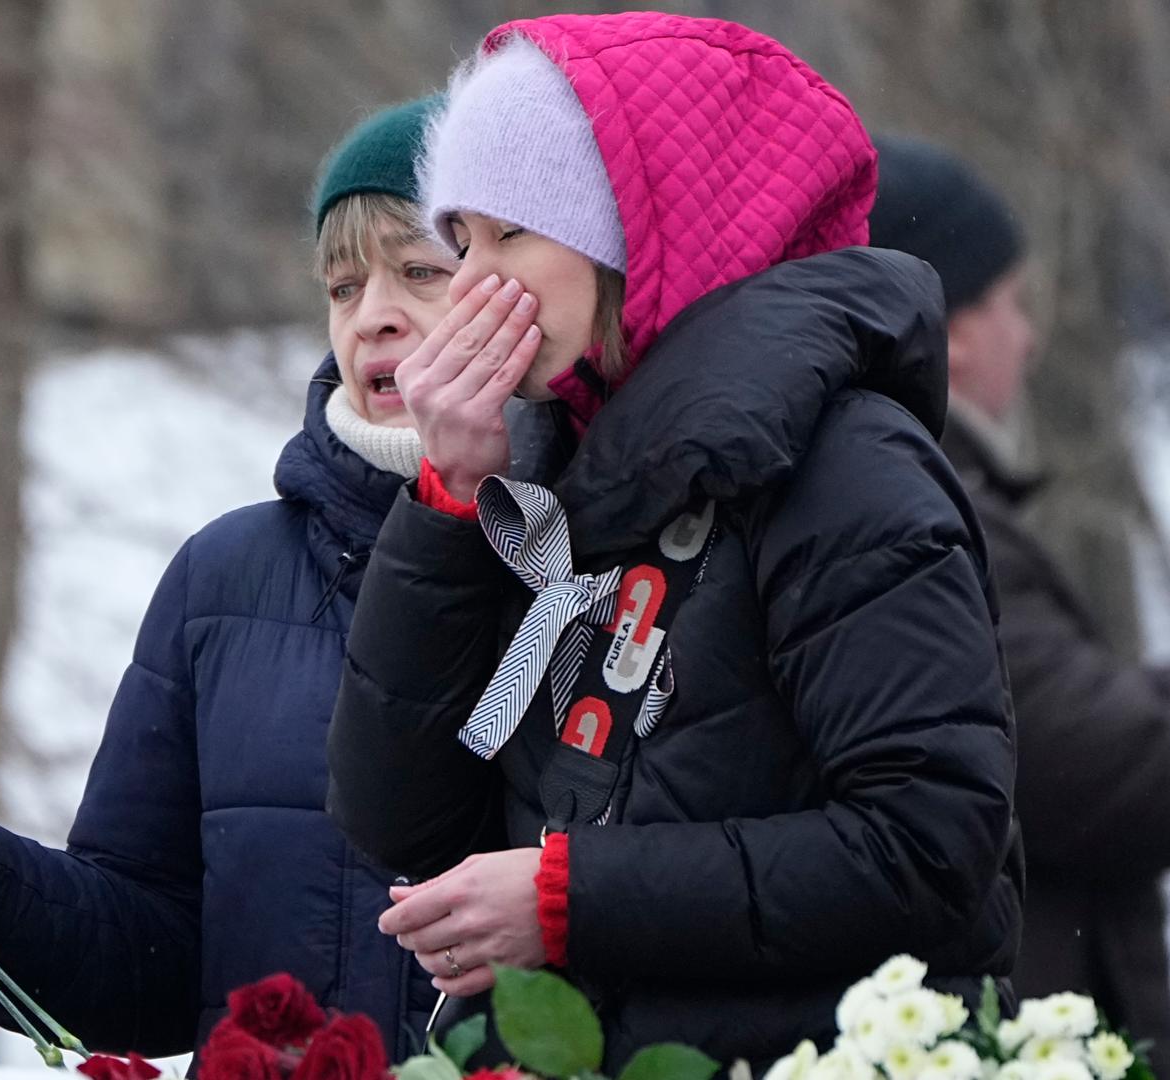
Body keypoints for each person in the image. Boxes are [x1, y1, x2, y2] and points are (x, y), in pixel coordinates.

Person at [324, 14, 1023, 1067]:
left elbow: (928, 852)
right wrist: (449, 500)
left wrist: (569, 901)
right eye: (459, 242)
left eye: (511, 234)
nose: (469, 288)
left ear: (637, 238)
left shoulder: (842, 464)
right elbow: (399, 822)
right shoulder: (566, 467)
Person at [0, 99, 458, 1058]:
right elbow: (154, 956)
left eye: (420, 271)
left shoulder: (598, 565)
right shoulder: (227, 578)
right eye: (342, 286)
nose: (373, 314)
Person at [872, 135, 1170, 1080]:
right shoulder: (938, 514)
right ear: (954, 332)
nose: (1031, 334)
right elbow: (1097, 772)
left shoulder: (935, 493)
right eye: (1010, 302)